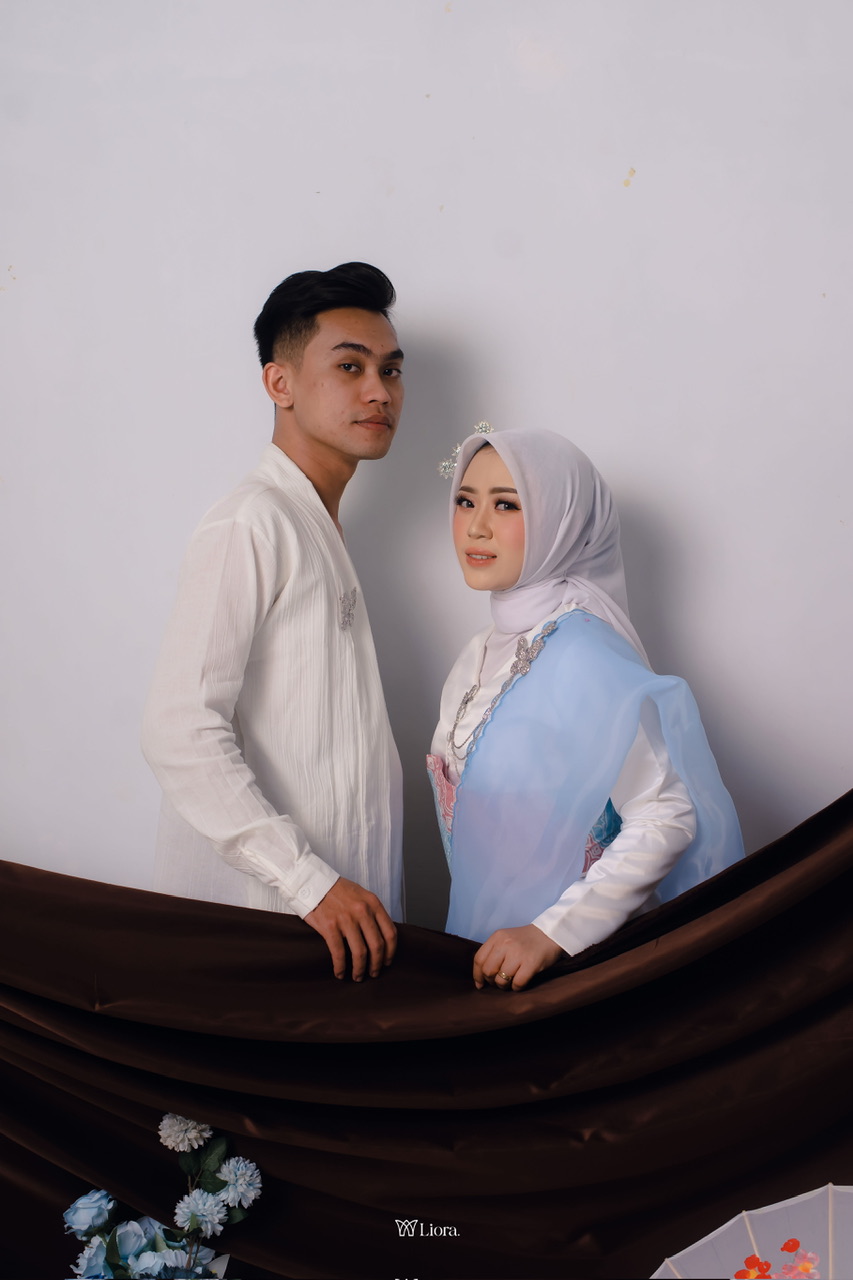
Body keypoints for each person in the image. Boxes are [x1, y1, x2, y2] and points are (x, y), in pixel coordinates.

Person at [142, 262, 405, 982]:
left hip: (337, 940)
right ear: (279, 383)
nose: (379, 391)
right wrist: (307, 882)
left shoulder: (318, 527)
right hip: (260, 934)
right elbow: (178, 729)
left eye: (390, 369)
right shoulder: (251, 522)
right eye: (349, 366)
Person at [428, 428, 744, 991]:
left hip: (573, 974)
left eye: (506, 504)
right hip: (486, 960)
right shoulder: (476, 653)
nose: (476, 527)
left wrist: (550, 934)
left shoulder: (582, 652)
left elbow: (667, 813)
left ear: (560, 521)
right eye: (466, 501)